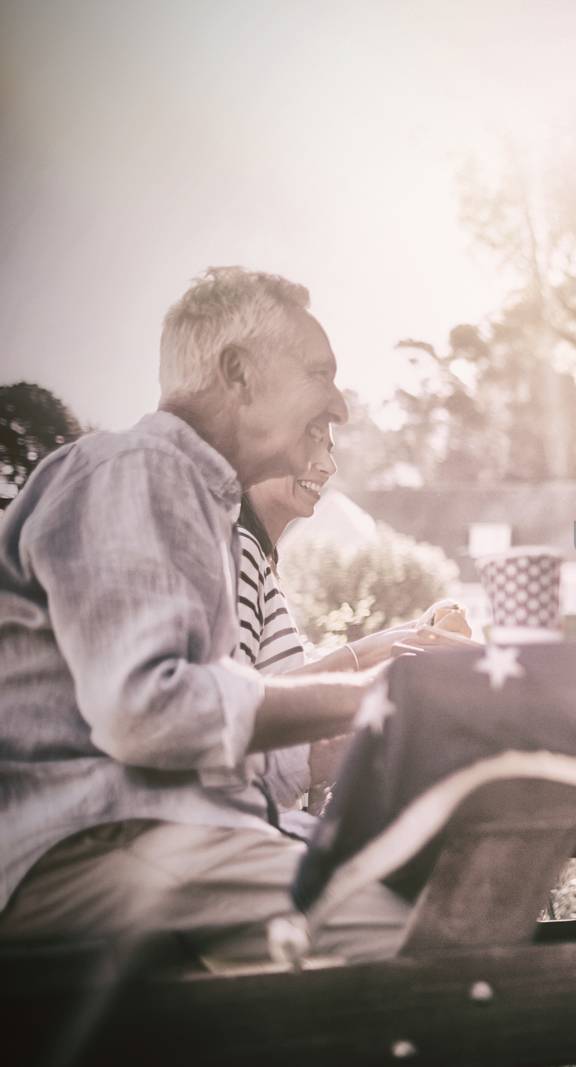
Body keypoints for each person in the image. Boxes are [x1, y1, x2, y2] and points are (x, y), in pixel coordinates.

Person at [0, 267, 412, 969]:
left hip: (133, 834)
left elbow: (193, 727)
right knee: (417, 944)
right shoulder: (140, 465)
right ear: (238, 373)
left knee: (411, 890)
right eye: (320, 372)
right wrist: (382, 693)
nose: (338, 405)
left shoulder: (191, 497)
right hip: (91, 836)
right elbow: (146, 709)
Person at [233, 422, 469, 822]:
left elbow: (287, 683)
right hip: (251, 827)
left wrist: (413, 635)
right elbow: (237, 713)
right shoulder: (238, 551)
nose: (329, 465)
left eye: (330, 448)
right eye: (310, 443)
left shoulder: (258, 558)